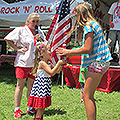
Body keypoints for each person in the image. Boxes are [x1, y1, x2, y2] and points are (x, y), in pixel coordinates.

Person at [56, 2, 112, 120]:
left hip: (98, 62)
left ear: (80, 14)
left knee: (87, 96)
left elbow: (87, 49)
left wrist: (68, 52)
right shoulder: (94, 23)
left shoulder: (88, 25)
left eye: (75, 15)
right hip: (102, 61)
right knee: (89, 95)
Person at [4, 13, 46, 118]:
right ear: (28, 21)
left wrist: (40, 39)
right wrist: (17, 49)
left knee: (31, 87)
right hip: (23, 63)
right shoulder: (21, 30)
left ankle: (30, 107)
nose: (35, 24)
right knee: (20, 85)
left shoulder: (39, 32)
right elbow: (8, 39)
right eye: (33, 21)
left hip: (34, 64)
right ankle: (17, 108)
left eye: (37, 22)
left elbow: (45, 45)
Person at [27, 42, 65, 120]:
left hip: (46, 87)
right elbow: (51, 73)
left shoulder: (48, 62)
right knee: (40, 108)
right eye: (48, 50)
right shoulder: (42, 63)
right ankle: (38, 118)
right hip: (41, 88)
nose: (50, 52)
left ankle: (39, 118)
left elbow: (56, 72)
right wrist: (58, 63)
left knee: (42, 108)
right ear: (42, 53)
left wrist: (60, 64)